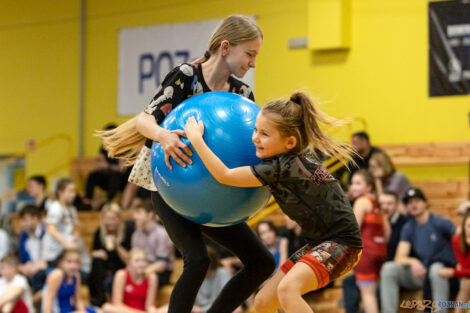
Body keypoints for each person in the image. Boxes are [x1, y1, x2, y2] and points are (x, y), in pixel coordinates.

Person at [99, 15, 275, 313]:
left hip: (216, 192)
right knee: (197, 260)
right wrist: (163, 136)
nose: (253, 63)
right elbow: (144, 119)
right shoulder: (185, 75)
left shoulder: (242, 95)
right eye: (250, 54)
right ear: (225, 47)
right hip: (170, 184)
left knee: (262, 263)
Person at [185, 91, 363, 313]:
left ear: (290, 142)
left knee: (288, 290)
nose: (255, 138)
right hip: (318, 243)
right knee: (263, 302)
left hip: (342, 243)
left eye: (265, 134)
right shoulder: (288, 161)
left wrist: (196, 139)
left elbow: (225, 175)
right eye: (255, 130)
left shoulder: (282, 168)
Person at [380, 187, 457, 313]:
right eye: (409, 202)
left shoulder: (439, 222)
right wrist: (413, 262)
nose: (413, 205)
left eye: (417, 201)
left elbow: (461, 237)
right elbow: (399, 257)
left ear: (425, 203)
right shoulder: (408, 227)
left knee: (436, 269)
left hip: (443, 271)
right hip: (422, 271)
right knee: (389, 268)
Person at [349, 170, 389, 313]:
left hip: (365, 254)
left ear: (369, 187)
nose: (353, 187)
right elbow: (387, 233)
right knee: (372, 293)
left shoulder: (361, 201)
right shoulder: (377, 204)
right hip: (380, 251)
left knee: (367, 294)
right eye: (352, 183)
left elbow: (353, 229)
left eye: (358, 183)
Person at [88, 203, 133, 306]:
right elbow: (93, 252)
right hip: (103, 270)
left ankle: (108, 302)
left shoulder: (127, 232)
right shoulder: (99, 233)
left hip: (120, 268)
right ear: (103, 219)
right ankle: (99, 301)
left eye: (114, 218)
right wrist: (96, 253)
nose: (111, 222)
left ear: (119, 219)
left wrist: (117, 246)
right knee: (97, 263)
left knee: (111, 277)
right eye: (108, 218)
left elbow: (129, 260)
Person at [42, 178, 90, 274]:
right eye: (70, 191)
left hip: (68, 252)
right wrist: (67, 243)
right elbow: (51, 229)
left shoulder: (72, 209)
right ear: (60, 192)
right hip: (56, 253)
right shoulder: (55, 207)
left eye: (74, 191)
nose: (74, 194)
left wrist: (75, 238)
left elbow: (76, 227)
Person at [131, 200, 174, 287]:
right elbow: (132, 258)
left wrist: (142, 273)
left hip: (161, 272)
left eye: (139, 213)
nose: (135, 217)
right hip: (141, 268)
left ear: (150, 214)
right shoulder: (136, 234)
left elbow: (162, 264)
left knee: (149, 278)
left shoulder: (162, 233)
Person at [438, 210, 470, 313]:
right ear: (464, 227)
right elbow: (464, 268)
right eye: (469, 226)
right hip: (466, 280)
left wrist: (453, 272)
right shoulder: (457, 240)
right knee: (466, 282)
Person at [17, 205, 48, 293]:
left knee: (37, 275)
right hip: (31, 269)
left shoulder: (46, 233)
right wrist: (22, 268)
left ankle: (39, 305)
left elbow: (49, 260)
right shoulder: (23, 236)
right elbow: (22, 259)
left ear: (35, 219)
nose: (22, 223)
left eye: (25, 219)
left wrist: (35, 267)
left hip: (45, 268)